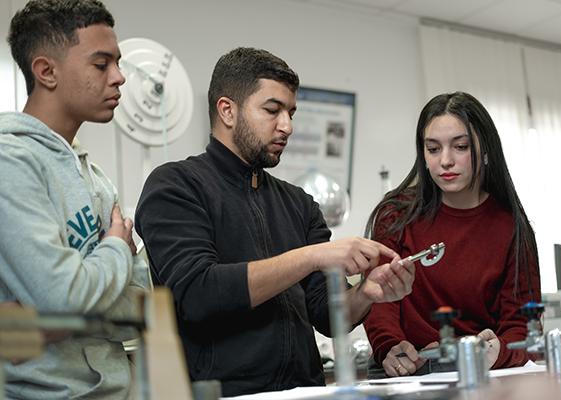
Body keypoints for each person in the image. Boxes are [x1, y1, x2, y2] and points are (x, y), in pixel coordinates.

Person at [134, 47, 416, 397]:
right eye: (272, 110)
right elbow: (197, 294)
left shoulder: (298, 204)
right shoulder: (175, 186)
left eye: (291, 112)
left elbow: (328, 316)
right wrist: (311, 257)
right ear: (227, 111)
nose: (288, 126)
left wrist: (365, 293)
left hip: (305, 391)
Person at [0, 0, 149, 398]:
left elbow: (142, 305)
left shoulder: (97, 179)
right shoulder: (10, 162)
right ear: (46, 71)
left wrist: (64, 316)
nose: (119, 77)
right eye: (102, 64)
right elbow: (62, 296)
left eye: (117, 63)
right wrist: (116, 247)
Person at [363, 91, 541, 378]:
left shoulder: (511, 228)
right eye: (433, 149)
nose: (445, 161)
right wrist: (389, 346)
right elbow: (379, 298)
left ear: (485, 151)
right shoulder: (395, 215)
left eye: (460, 146)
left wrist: (498, 350)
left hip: (485, 376)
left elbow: (522, 327)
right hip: (410, 375)